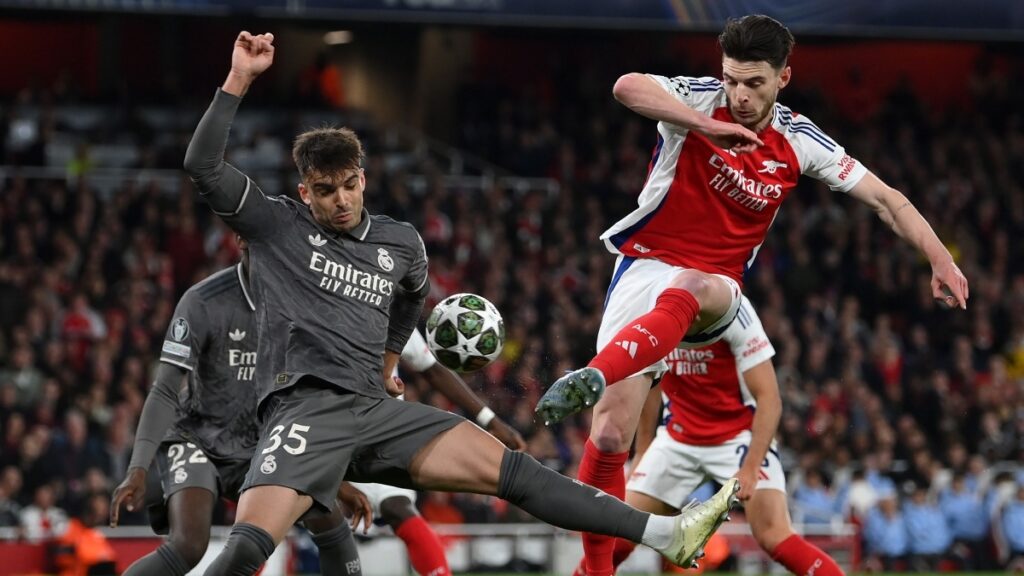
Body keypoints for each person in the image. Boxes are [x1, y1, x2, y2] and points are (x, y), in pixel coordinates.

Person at [188, 31, 738, 575]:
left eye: (349, 185)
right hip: (304, 410)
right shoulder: (277, 225)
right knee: (245, 551)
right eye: (326, 190)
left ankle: (669, 532)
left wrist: (388, 359)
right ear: (305, 192)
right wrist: (239, 79)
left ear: (364, 178)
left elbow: (410, 299)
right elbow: (204, 166)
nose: (341, 200)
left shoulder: (399, 243)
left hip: (376, 412)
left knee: (515, 473)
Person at [535, 14, 968, 576]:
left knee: (694, 285)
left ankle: (597, 370)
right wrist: (699, 124)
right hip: (642, 268)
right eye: (732, 80)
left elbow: (886, 200)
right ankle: (595, 568)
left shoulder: (799, 139)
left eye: (754, 84)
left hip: (718, 286)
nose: (738, 95)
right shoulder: (700, 100)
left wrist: (939, 257)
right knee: (611, 429)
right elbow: (626, 86)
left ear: (784, 77)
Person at [110, 240, 369, 576]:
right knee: (188, 545)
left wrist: (332, 478)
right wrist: (138, 467)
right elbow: (164, 390)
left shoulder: (302, 304)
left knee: (332, 524)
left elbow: (311, 395)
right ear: (242, 242)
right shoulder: (203, 301)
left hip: (261, 446)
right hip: (198, 440)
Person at [571, 296, 844, 576]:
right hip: (676, 440)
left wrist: (751, 467)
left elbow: (770, 398)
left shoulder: (734, 308)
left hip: (738, 438)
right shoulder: (656, 304)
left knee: (774, 536)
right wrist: (643, 450)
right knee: (618, 536)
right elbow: (648, 381)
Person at [349, 329, 526, 576]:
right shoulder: (332, 310)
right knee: (324, 517)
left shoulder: (394, 315)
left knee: (398, 508)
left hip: (380, 436)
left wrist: (490, 420)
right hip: (330, 431)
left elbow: (431, 368)